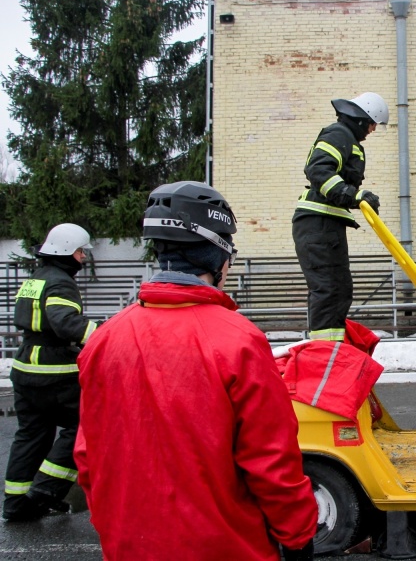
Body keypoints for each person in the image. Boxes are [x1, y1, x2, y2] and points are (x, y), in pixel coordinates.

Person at [74, 181, 317, 561]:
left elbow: (88, 457)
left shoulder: (104, 340)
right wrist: (299, 536)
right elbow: (271, 462)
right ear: (217, 256)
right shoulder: (238, 341)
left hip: (127, 546)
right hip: (225, 548)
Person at [2, 224, 98, 522]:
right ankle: (45, 492)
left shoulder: (36, 279)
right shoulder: (61, 283)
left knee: (32, 434)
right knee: (84, 427)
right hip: (54, 371)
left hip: (24, 367)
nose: (83, 258)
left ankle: (16, 503)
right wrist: (105, 335)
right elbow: (65, 322)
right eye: (81, 252)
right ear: (68, 251)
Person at [292, 92, 389, 341]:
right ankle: (325, 353)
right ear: (360, 119)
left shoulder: (346, 138)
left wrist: (356, 198)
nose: (372, 130)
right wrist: (352, 194)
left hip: (326, 225)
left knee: (339, 289)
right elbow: (318, 169)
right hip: (318, 224)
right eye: (372, 124)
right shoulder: (339, 134)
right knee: (330, 289)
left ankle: (332, 348)